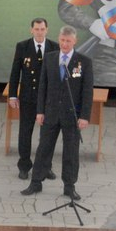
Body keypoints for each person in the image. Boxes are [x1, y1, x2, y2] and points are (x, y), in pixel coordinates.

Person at [20, 26, 93, 201]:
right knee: (43, 149)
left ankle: (69, 186)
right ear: (59, 40)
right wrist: (40, 111)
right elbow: (43, 86)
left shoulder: (83, 61)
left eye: (68, 41)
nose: (65, 44)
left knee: (71, 152)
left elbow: (87, 91)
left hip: (72, 115)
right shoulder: (50, 58)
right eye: (62, 40)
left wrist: (84, 116)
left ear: (75, 41)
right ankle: (36, 182)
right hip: (51, 113)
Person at [7, 18, 54, 181]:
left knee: (47, 135)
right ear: (31, 30)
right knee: (25, 133)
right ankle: (24, 166)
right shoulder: (23, 46)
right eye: (36, 29)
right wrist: (13, 95)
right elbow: (15, 72)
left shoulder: (54, 47)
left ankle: (45, 167)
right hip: (28, 97)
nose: (39, 32)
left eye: (42, 29)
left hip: (47, 99)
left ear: (47, 30)